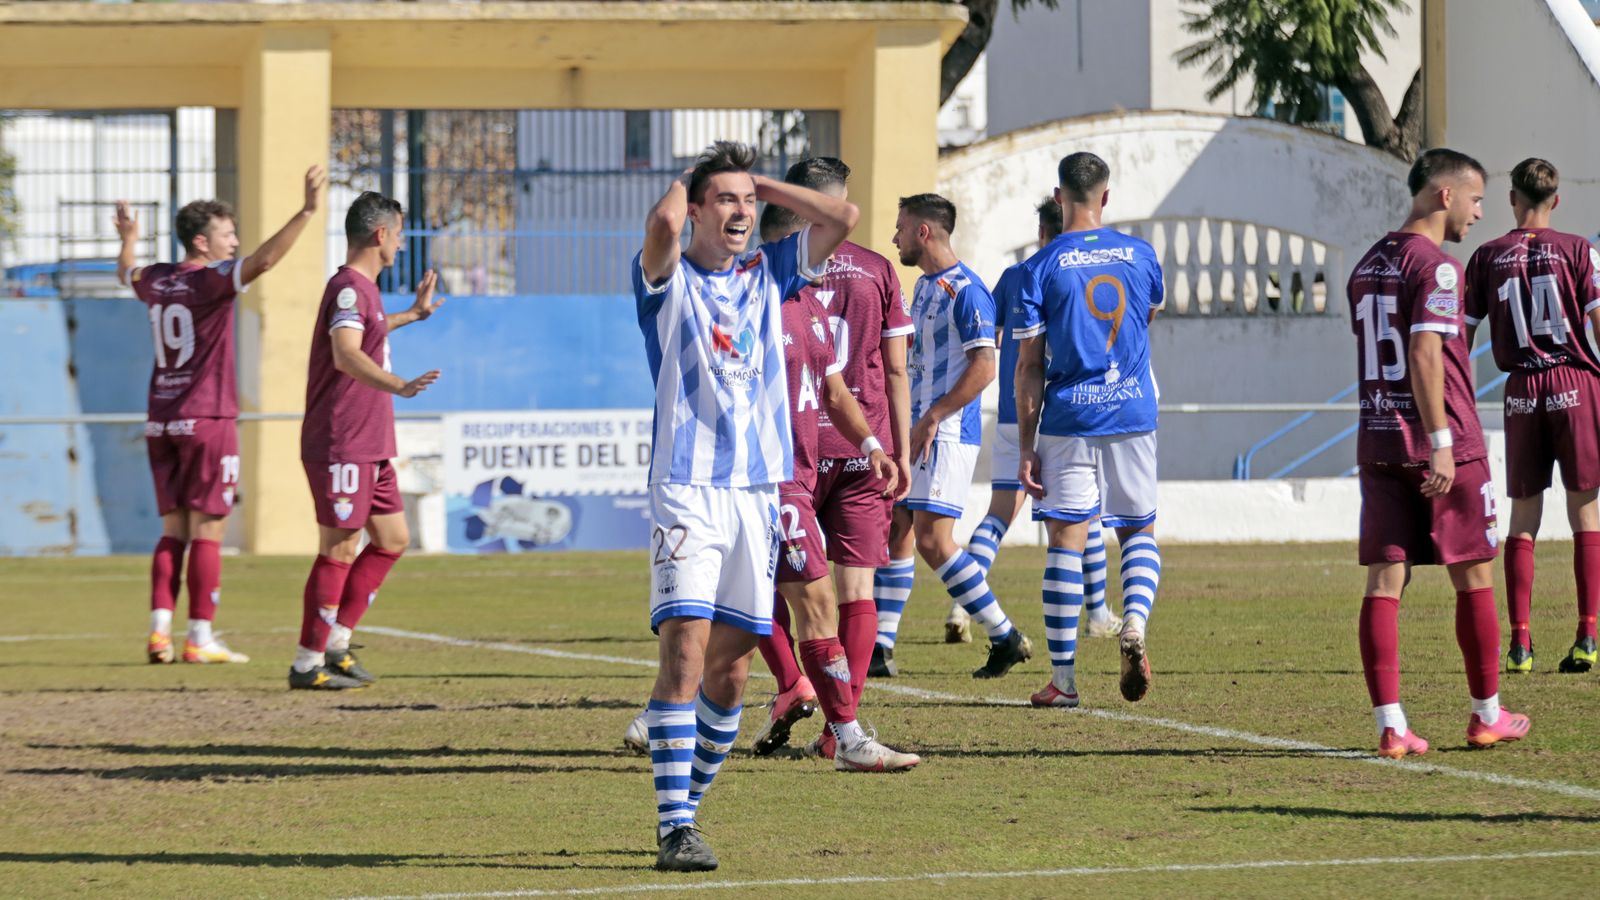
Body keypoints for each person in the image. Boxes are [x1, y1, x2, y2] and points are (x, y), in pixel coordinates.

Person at [632, 142, 858, 872]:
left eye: (747, 203)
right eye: (722, 201)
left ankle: (685, 809)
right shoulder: (665, 280)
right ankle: (673, 829)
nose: (740, 212)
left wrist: (755, 183)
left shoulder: (771, 271)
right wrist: (697, 182)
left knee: (730, 674)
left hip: (757, 496)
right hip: (688, 490)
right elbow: (663, 226)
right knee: (686, 652)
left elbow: (842, 215)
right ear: (696, 207)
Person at [1343, 148, 1529, 758]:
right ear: (1444, 195)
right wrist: (1443, 443)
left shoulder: (1368, 264)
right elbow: (1425, 354)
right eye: (1475, 199)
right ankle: (1486, 714)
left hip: (1378, 436)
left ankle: (1390, 725)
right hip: (1440, 443)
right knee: (1474, 573)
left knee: (1384, 581)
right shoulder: (1441, 269)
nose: (1479, 213)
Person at [115, 166, 325, 666]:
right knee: (208, 532)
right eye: (228, 235)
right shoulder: (211, 282)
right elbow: (266, 261)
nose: (235, 243)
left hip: (161, 420)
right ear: (201, 242)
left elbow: (124, 272)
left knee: (172, 530)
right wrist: (308, 211)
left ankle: (159, 633)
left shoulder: (158, 279)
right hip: (207, 418)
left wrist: (128, 238)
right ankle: (200, 637)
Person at [744, 200, 918, 772]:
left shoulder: (810, 304)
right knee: (741, 613)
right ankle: (673, 710)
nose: (828, 258)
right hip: (756, 480)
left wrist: (875, 447)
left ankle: (843, 734)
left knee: (811, 601)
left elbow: (835, 390)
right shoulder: (747, 301)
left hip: (798, 476)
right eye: (812, 247)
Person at [1014, 153, 1163, 709]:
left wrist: (1026, 447)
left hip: (1069, 415)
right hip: (1131, 413)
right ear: (1106, 196)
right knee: (1139, 532)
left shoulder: (1040, 267)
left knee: (1065, 541)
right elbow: (1145, 322)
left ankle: (1064, 681)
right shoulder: (1141, 255)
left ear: (1059, 197)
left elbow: (1029, 366)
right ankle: (1134, 623)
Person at [873, 193, 1032, 681]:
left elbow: (986, 365)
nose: (894, 236)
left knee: (933, 542)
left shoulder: (968, 292)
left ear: (924, 231)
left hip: (946, 433)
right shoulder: (923, 287)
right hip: (918, 430)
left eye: (901, 227)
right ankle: (879, 647)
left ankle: (1004, 637)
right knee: (896, 526)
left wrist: (936, 414)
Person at [290, 191, 444, 691]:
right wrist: (398, 385)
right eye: (398, 234)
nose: (401, 244)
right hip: (343, 441)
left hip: (370, 443)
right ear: (380, 235)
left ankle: (336, 643)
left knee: (393, 540)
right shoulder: (350, 289)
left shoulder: (365, 293)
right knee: (339, 548)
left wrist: (411, 317)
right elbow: (345, 353)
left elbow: (368, 330)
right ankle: (306, 663)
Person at [950, 196, 1119, 644]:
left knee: (998, 516)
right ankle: (1098, 613)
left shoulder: (1014, 276)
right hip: (1057, 415)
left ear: (1040, 231)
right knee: (1086, 515)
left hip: (1011, 414)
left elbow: (991, 332)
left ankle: (964, 601)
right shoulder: (1073, 273)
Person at [1464, 158, 1600, 675]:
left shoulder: (1486, 256)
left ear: (1512, 199)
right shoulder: (1578, 250)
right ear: (1557, 200)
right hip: (1575, 386)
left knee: (1523, 518)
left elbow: (1462, 337)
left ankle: (1520, 644)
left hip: (1520, 388)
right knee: (1584, 512)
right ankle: (1587, 635)